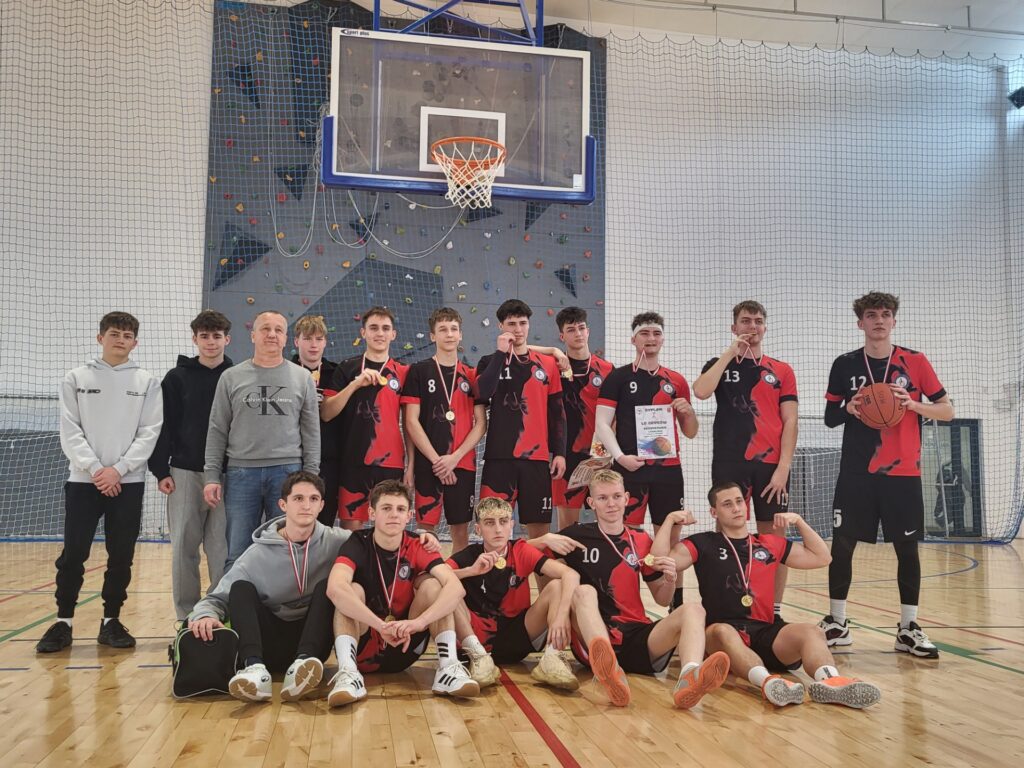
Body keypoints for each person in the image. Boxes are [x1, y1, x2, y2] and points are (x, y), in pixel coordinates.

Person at [658, 482, 881, 709]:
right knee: (722, 631)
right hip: (722, 635)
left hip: (765, 631)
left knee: (812, 632)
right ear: (714, 512)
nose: (736, 508)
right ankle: (768, 683)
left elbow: (822, 558)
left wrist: (799, 522)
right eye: (727, 504)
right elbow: (659, 562)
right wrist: (669, 521)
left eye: (739, 501)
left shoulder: (768, 543)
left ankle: (831, 682)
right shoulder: (703, 543)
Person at [820, 292, 954, 658]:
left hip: (902, 472)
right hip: (856, 472)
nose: (878, 320)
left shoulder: (915, 361)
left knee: (906, 548)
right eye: (871, 315)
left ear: (894, 321)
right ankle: (837, 623)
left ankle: (908, 628)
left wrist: (911, 404)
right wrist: (849, 408)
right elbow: (830, 418)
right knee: (842, 545)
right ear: (860, 322)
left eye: (885, 314)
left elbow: (947, 410)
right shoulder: (845, 364)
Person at [36, 312, 163, 653]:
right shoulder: (76, 378)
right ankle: (63, 622)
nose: (120, 340)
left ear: (135, 342)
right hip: (84, 481)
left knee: (121, 555)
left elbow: (149, 432)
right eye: (114, 333)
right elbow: (70, 429)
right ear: (100, 338)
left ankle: (111, 621)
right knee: (74, 553)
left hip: (128, 482)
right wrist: (96, 469)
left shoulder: (147, 382)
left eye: (127, 335)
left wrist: (118, 470)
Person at [555, 469, 730, 709]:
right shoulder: (576, 536)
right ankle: (609, 672)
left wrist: (670, 579)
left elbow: (662, 599)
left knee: (694, 610)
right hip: (595, 638)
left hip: (637, 635)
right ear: (591, 503)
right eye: (603, 498)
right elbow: (529, 556)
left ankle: (689, 678)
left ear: (627, 498)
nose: (611, 504)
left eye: (616, 496)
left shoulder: (641, 539)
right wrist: (543, 540)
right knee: (584, 592)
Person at [186, 471, 351, 703]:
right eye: (298, 498)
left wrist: (411, 535)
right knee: (241, 588)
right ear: (283, 504)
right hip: (269, 643)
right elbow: (216, 598)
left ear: (322, 505)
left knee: (329, 586)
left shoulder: (337, 540)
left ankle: (303, 664)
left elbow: (374, 541)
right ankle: (254, 669)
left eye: (313, 499)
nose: (306, 505)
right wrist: (205, 615)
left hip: (313, 644)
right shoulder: (257, 554)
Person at [325, 480, 479, 706]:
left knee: (435, 586)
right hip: (365, 647)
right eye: (386, 508)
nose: (393, 515)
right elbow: (334, 588)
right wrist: (381, 626)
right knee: (351, 590)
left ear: (409, 516)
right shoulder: (357, 542)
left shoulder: (418, 544)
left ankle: (448, 669)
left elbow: (456, 588)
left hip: (407, 642)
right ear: (372, 513)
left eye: (400, 509)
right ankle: (348, 673)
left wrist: (418, 623)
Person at [692, 300, 798, 617]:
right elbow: (700, 391)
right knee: (724, 537)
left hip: (770, 466)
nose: (752, 326)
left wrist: (783, 467)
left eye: (758, 321)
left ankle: (772, 611)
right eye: (746, 321)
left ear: (765, 327)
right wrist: (730, 353)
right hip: (729, 463)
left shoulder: (781, 370)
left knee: (774, 540)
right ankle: (722, 607)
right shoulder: (719, 364)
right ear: (734, 327)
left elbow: (791, 421)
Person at [203, 310, 320, 568]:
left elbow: (311, 432)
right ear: (253, 335)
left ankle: (283, 597)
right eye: (265, 329)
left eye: (278, 330)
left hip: (288, 474)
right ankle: (236, 595)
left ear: (286, 338)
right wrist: (211, 475)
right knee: (237, 552)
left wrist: (311, 476)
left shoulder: (302, 378)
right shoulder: (231, 377)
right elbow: (217, 429)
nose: (272, 334)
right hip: (241, 474)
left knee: (288, 549)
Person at [148, 310, 233, 621]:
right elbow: (164, 424)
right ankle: (187, 617)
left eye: (216, 336)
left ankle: (218, 613)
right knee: (184, 547)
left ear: (227, 339)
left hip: (226, 475)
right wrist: (161, 470)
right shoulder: (176, 378)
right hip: (184, 472)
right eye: (204, 336)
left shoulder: (236, 376)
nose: (211, 342)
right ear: (195, 339)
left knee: (222, 550)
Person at [446, 497, 583, 690]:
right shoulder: (469, 555)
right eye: (489, 523)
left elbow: (571, 574)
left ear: (511, 525)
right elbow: (433, 576)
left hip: (516, 636)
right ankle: (480, 658)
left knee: (557, 586)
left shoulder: (520, 550)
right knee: (449, 589)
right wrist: (470, 571)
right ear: (478, 529)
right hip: (476, 642)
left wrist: (561, 616)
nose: (498, 529)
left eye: (503, 522)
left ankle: (552, 658)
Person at [476, 299, 567, 539]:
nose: (518, 329)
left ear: (529, 325)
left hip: (536, 460)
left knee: (539, 533)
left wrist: (560, 453)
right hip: (498, 458)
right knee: (492, 529)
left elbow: (557, 412)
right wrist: (500, 353)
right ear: (500, 326)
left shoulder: (548, 364)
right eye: (511, 324)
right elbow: (483, 392)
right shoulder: (488, 361)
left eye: (522, 323)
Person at [402, 307, 487, 552]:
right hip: (428, 464)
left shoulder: (471, 375)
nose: (449, 334)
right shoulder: (418, 371)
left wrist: (454, 458)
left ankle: (458, 575)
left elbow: (481, 423)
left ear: (460, 334)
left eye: (453, 329)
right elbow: (411, 421)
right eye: (442, 329)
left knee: (460, 531)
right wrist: (438, 461)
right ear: (432, 336)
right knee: (424, 530)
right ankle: (425, 574)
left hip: (462, 464)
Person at [321, 307, 408, 531]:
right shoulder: (347, 368)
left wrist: (411, 467)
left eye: (385, 328)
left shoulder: (403, 372)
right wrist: (355, 384)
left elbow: (410, 424)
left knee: (389, 527)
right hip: (353, 461)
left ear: (393, 334)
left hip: (391, 463)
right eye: (373, 328)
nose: (380, 333)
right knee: (351, 529)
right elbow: (326, 413)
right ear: (363, 332)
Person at [551, 307, 614, 529]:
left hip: (600, 456)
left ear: (588, 331)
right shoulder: (553, 367)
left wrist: (610, 453)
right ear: (562, 336)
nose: (578, 333)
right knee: (567, 528)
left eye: (581, 328)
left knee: (609, 521)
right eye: (571, 329)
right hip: (567, 457)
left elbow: (616, 415)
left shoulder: (607, 370)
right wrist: (553, 351)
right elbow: (521, 348)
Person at [291, 314, 341, 528]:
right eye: (307, 338)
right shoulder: (286, 372)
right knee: (292, 521)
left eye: (319, 339)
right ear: (296, 341)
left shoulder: (337, 373)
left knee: (324, 522)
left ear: (325, 342)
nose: (313, 345)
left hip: (328, 461)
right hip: (292, 457)